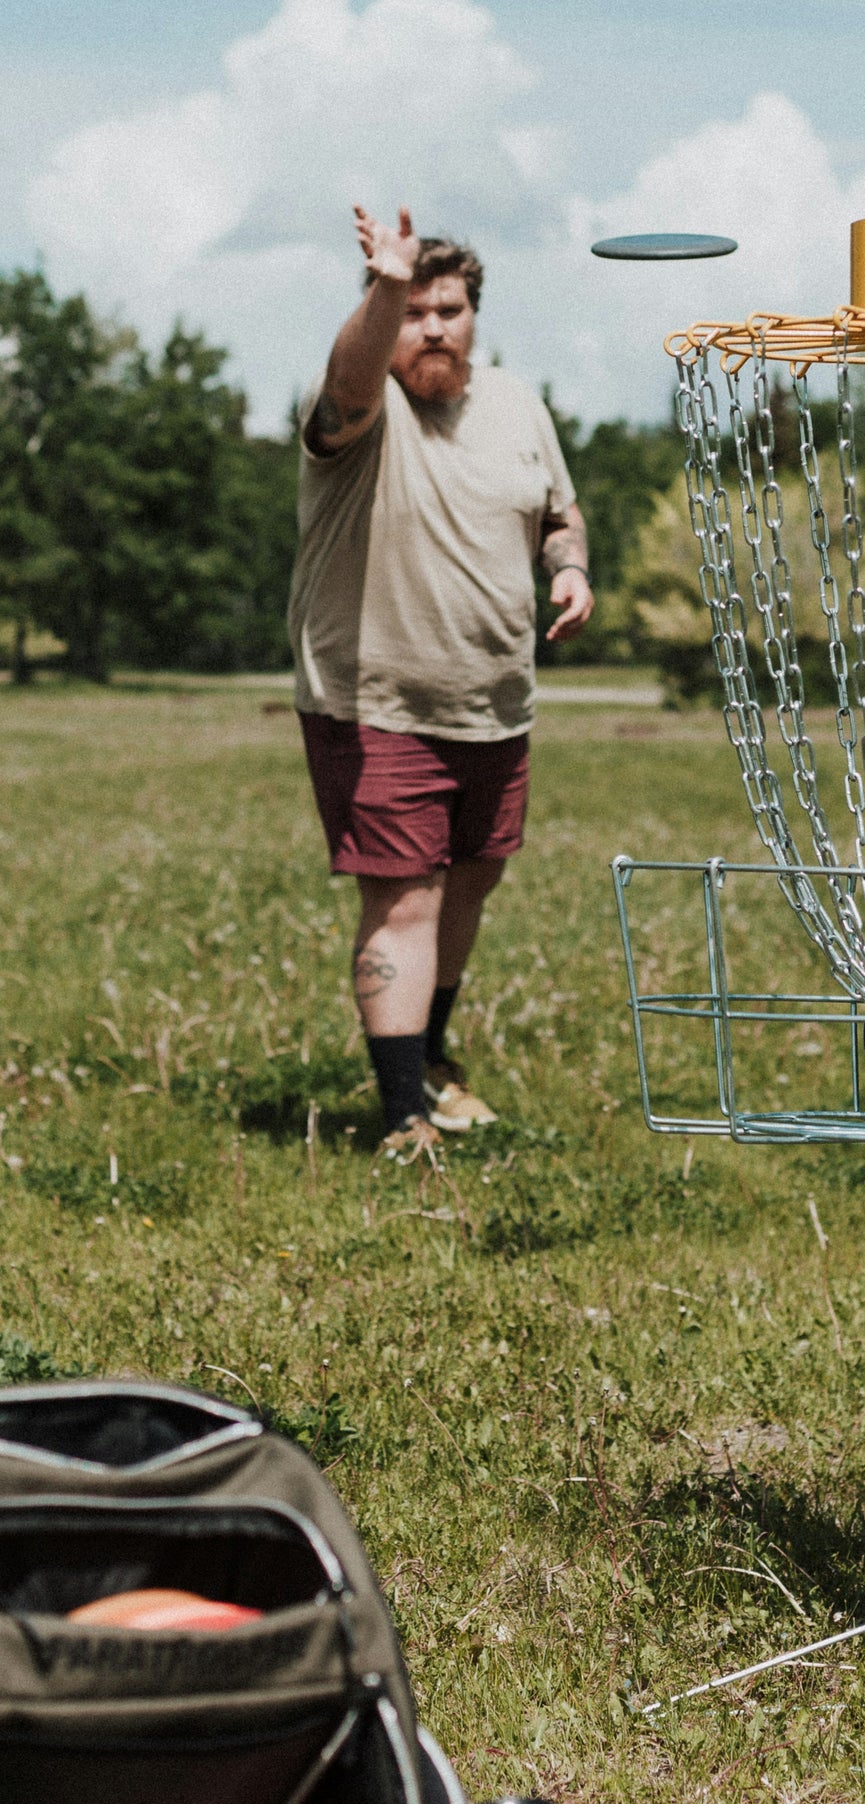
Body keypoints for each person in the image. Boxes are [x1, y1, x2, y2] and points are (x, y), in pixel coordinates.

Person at [289, 205, 593, 1157]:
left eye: (446, 308)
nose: (430, 327)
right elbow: (346, 381)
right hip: (378, 701)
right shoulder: (361, 407)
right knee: (405, 900)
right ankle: (403, 1119)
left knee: (471, 883)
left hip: (495, 703)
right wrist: (384, 282)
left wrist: (569, 567)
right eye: (410, 310)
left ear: (473, 314)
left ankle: (428, 1057)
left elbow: (557, 511)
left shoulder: (514, 403)